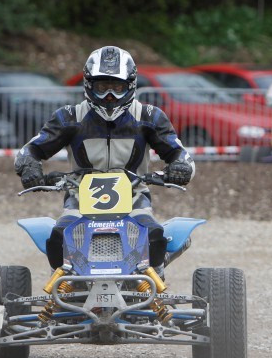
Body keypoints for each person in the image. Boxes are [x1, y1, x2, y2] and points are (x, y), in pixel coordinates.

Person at [14, 46, 195, 273]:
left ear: (130, 85)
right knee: (57, 240)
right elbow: (30, 150)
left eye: (117, 87)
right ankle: (63, 286)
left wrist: (181, 167)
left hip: (135, 199)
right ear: (89, 85)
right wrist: (29, 166)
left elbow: (179, 153)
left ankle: (152, 282)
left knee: (155, 238)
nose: (110, 96)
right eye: (102, 87)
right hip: (78, 201)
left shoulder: (149, 117)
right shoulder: (69, 117)